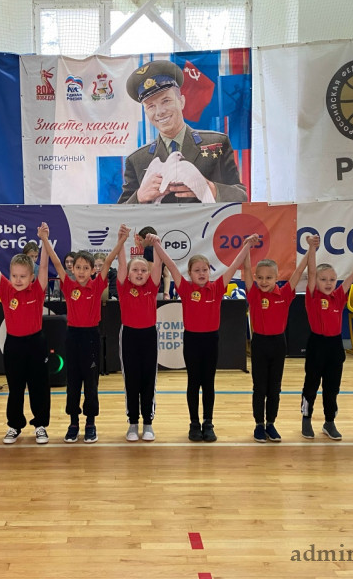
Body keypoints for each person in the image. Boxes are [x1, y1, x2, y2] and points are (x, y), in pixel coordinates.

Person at [150, 234, 252, 442]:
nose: (202, 273)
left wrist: (247, 245)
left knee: (208, 383)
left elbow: (234, 265)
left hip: (211, 341)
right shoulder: (186, 288)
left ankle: (208, 422)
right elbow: (170, 264)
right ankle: (194, 423)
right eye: (197, 270)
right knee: (194, 382)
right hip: (192, 341)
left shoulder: (217, 287)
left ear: (209, 271)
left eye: (205, 270)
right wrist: (156, 244)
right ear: (190, 273)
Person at [118, 60, 246, 204]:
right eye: (151, 106)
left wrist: (210, 189)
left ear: (181, 102)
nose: (160, 112)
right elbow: (119, 214)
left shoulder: (217, 144)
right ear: (146, 112)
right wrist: (139, 197)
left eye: (166, 101)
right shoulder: (136, 160)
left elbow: (241, 197)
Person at [42, 238, 121, 444]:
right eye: (78, 267)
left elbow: (109, 260)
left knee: (91, 382)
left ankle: (90, 423)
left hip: (91, 337)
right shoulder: (68, 285)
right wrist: (44, 239)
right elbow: (56, 262)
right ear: (73, 269)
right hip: (73, 337)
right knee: (73, 382)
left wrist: (121, 240)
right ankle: (73, 423)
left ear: (93, 270)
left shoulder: (97, 286)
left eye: (86, 268)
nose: (82, 271)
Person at [0, 224, 51, 444]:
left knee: (39, 387)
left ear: (31, 277)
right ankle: (14, 425)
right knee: (16, 388)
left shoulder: (37, 289)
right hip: (14, 346)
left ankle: (40, 425)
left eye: (22, 276)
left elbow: (44, 266)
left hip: (36, 344)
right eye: (14, 275)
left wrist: (44, 240)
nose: (18, 280)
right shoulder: (6, 289)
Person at [300, 234, 353, 441]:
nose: (328, 283)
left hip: (335, 346)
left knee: (332, 387)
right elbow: (311, 271)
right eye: (323, 279)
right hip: (317, 345)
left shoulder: (338, 296)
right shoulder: (313, 296)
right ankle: (306, 418)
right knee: (311, 384)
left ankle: (329, 422)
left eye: (332, 280)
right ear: (316, 281)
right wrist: (312, 248)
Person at [244, 243, 310, 443]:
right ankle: (259, 424)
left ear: (277, 277)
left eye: (269, 277)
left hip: (278, 344)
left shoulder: (285, 293)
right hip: (259, 344)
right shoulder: (254, 294)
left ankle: (271, 423)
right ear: (255, 278)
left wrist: (310, 249)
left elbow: (298, 271)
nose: (264, 281)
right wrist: (247, 247)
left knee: (274, 388)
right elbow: (246, 267)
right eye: (260, 277)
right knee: (259, 387)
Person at [117, 227, 164, 441]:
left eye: (143, 270)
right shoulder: (124, 287)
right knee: (132, 380)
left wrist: (156, 244)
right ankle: (133, 423)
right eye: (135, 270)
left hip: (148, 336)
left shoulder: (152, 287)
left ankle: (148, 423)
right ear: (128, 274)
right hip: (129, 336)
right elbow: (121, 262)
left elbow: (159, 264)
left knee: (148, 380)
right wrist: (121, 240)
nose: (139, 273)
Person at [135, 226, 171, 299]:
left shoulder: (148, 250)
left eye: (141, 240)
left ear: (147, 239)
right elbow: (167, 274)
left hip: (151, 292)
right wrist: (166, 293)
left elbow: (150, 274)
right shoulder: (160, 251)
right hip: (161, 292)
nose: (140, 243)